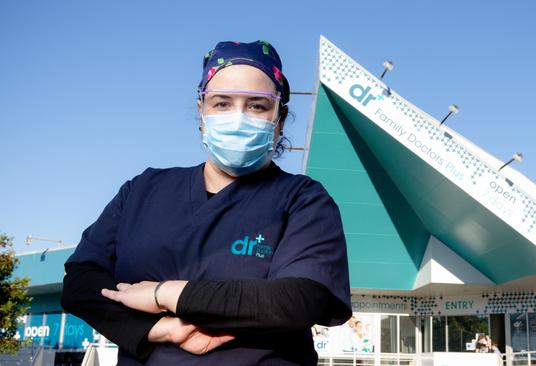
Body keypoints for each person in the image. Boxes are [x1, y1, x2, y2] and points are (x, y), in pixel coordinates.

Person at [60, 40, 352, 365]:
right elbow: (80, 282)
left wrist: (166, 294)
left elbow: (298, 300)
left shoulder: (304, 200)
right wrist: (159, 328)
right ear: (201, 110)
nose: (238, 117)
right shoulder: (141, 191)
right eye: (222, 103)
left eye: (257, 105)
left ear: (280, 118)